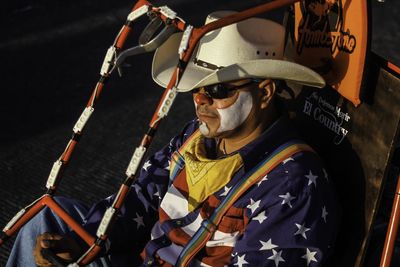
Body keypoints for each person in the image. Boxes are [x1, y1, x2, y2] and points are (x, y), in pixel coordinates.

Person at [7, 11, 340, 267]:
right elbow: (139, 198)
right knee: (45, 222)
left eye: (218, 90)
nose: (201, 100)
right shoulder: (196, 136)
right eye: (197, 87)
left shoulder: (292, 183)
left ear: (265, 93)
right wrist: (84, 241)